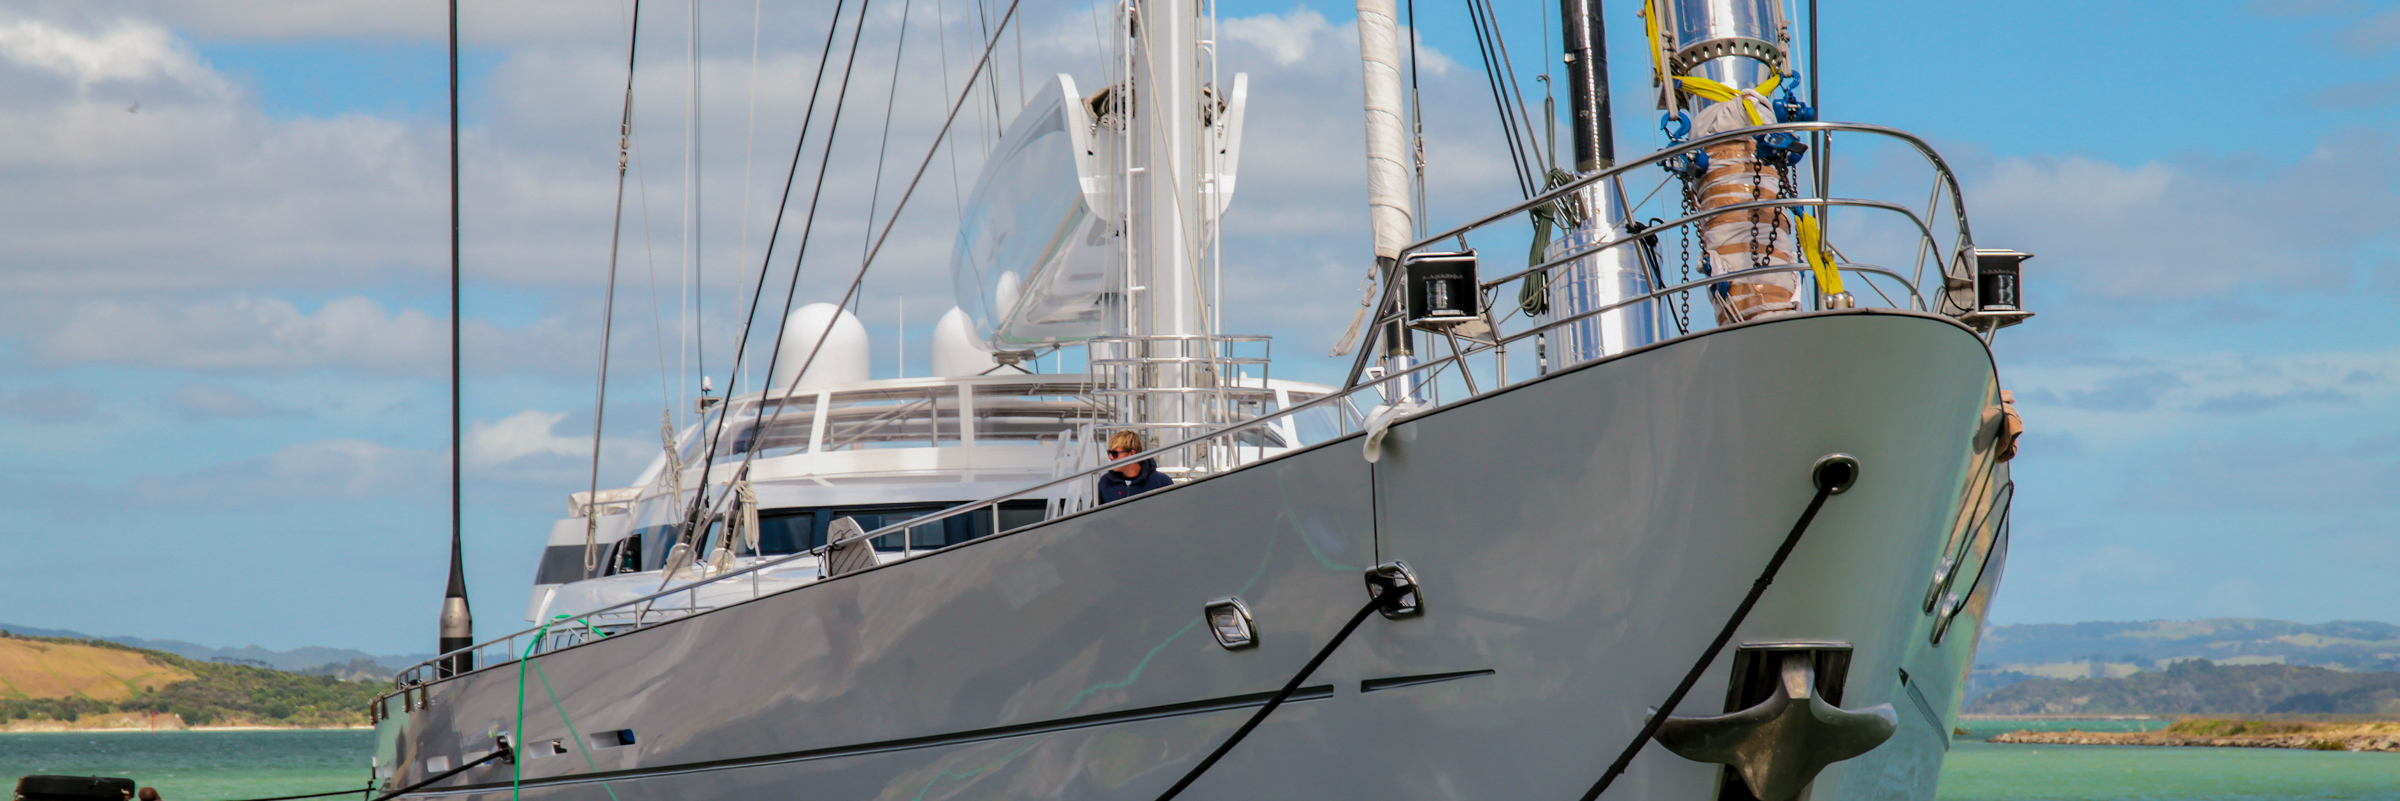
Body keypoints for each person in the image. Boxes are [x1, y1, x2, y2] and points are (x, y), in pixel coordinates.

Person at [1097, 430, 1174, 503]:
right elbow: (1095, 516)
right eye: (1109, 453)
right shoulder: (1105, 483)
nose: (1110, 457)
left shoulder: (1161, 483)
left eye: (1115, 453)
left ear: (1132, 454)